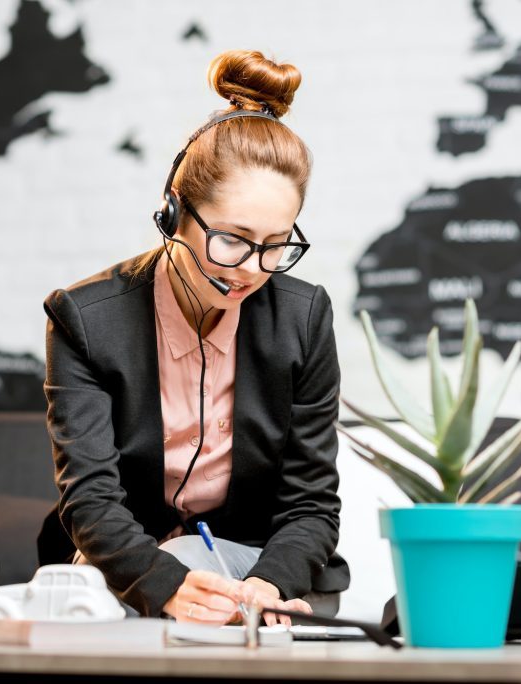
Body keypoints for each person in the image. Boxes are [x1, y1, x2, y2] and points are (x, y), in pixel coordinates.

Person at [38, 49, 349, 626]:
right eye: (232, 240)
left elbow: (310, 503)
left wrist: (267, 586)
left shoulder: (304, 318)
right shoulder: (83, 319)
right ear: (172, 215)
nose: (252, 268)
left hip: (261, 561)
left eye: (276, 244)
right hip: (127, 564)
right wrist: (167, 584)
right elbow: (91, 500)